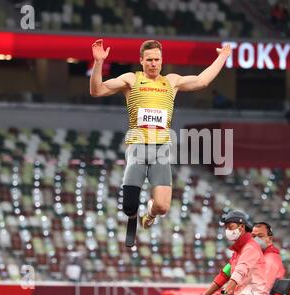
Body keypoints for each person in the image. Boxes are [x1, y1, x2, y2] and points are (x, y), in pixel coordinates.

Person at [90, 39, 232, 246]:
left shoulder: (171, 82)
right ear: (141, 61)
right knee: (129, 204)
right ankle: (132, 215)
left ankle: (149, 214)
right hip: (137, 147)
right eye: (149, 60)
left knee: (163, 207)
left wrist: (222, 57)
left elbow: (202, 81)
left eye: (157, 59)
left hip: (161, 150)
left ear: (162, 61)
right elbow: (97, 90)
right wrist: (98, 63)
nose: (153, 63)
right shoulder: (132, 79)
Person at [201, 210, 268, 295]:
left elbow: (239, 272)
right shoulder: (238, 251)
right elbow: (224, 274)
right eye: (226, 228)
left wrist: (224, 293)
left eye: (230, 227)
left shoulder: (250, 248)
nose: (227, 231)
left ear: (242, 227)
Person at [251, 222, 286, 295]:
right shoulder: (257, 255)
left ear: (270, 238)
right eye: (253, 236)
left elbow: (264, 289)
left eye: (260, 236)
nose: (256, 239)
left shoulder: (271, 258)